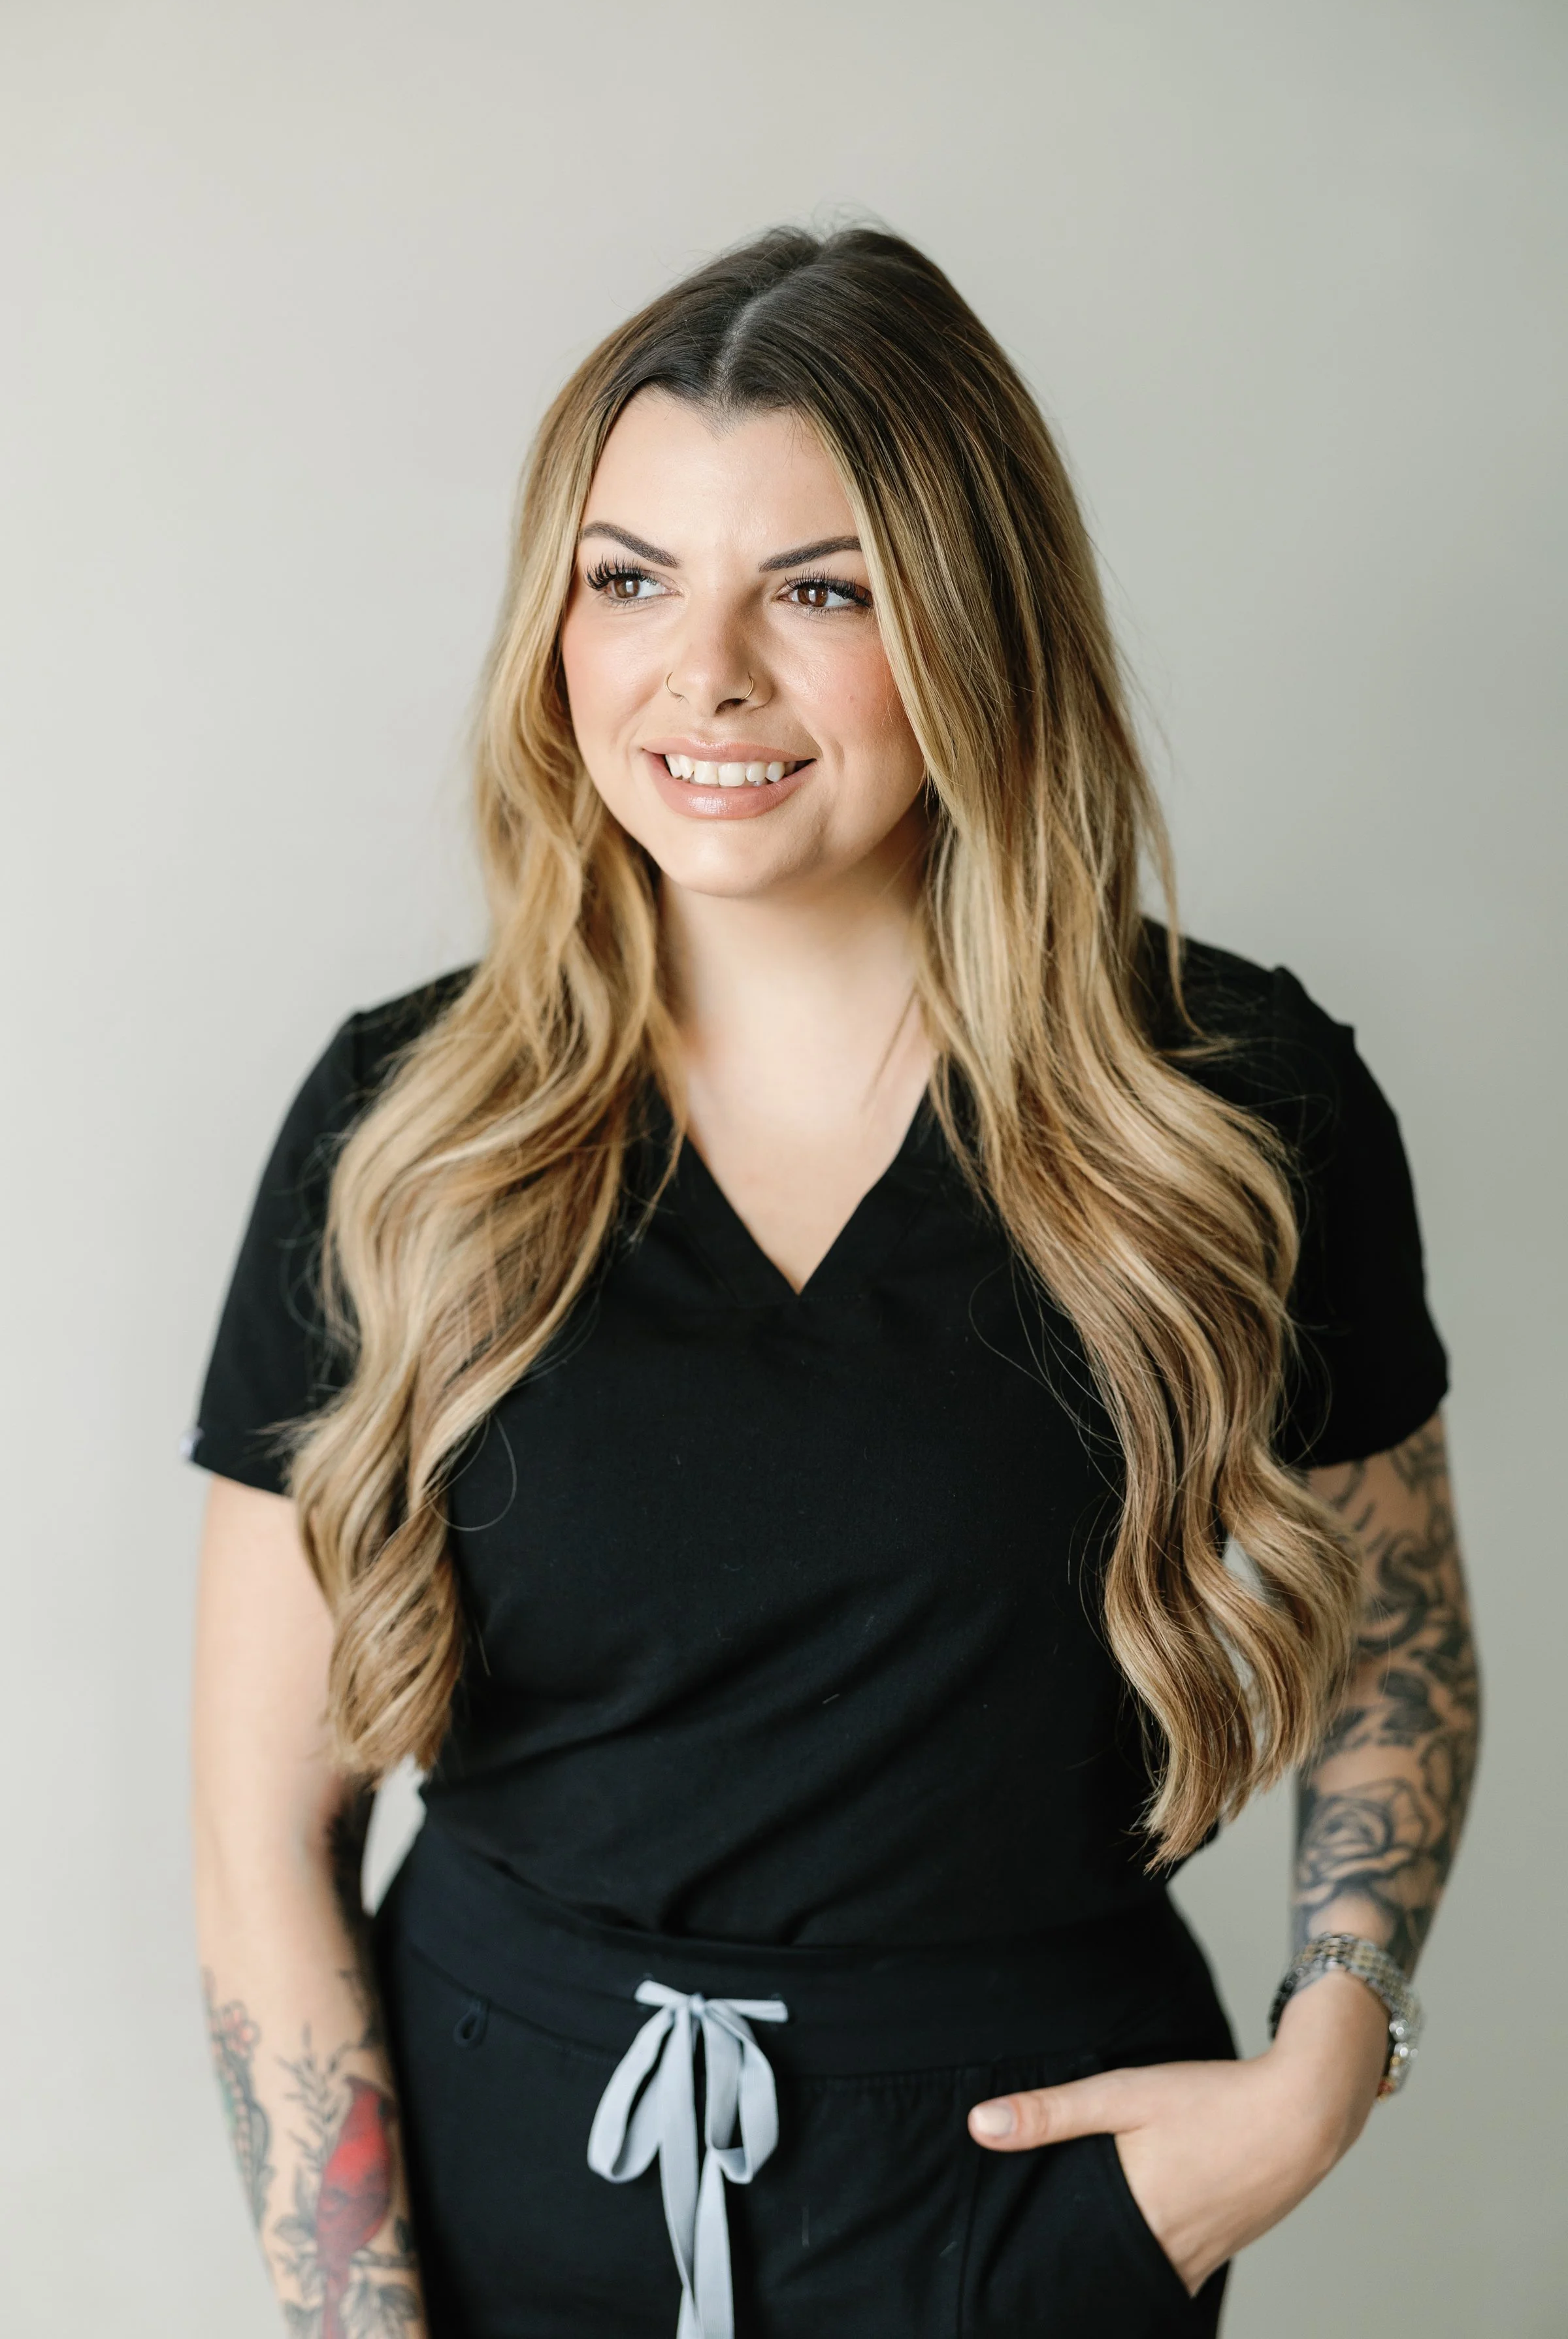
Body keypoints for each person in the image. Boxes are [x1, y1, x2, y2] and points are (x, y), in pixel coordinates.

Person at [188, 226, 1477, 2339]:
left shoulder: (1235, 1106)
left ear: (973, 626)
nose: (706, 677)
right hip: (504, 2209)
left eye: (821, 589)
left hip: (1043, 2214)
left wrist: (1332, 2050)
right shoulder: (400, 1126)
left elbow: (1401, 1627)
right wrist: (358, 2320)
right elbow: (265, 1836)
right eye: (629, 581)